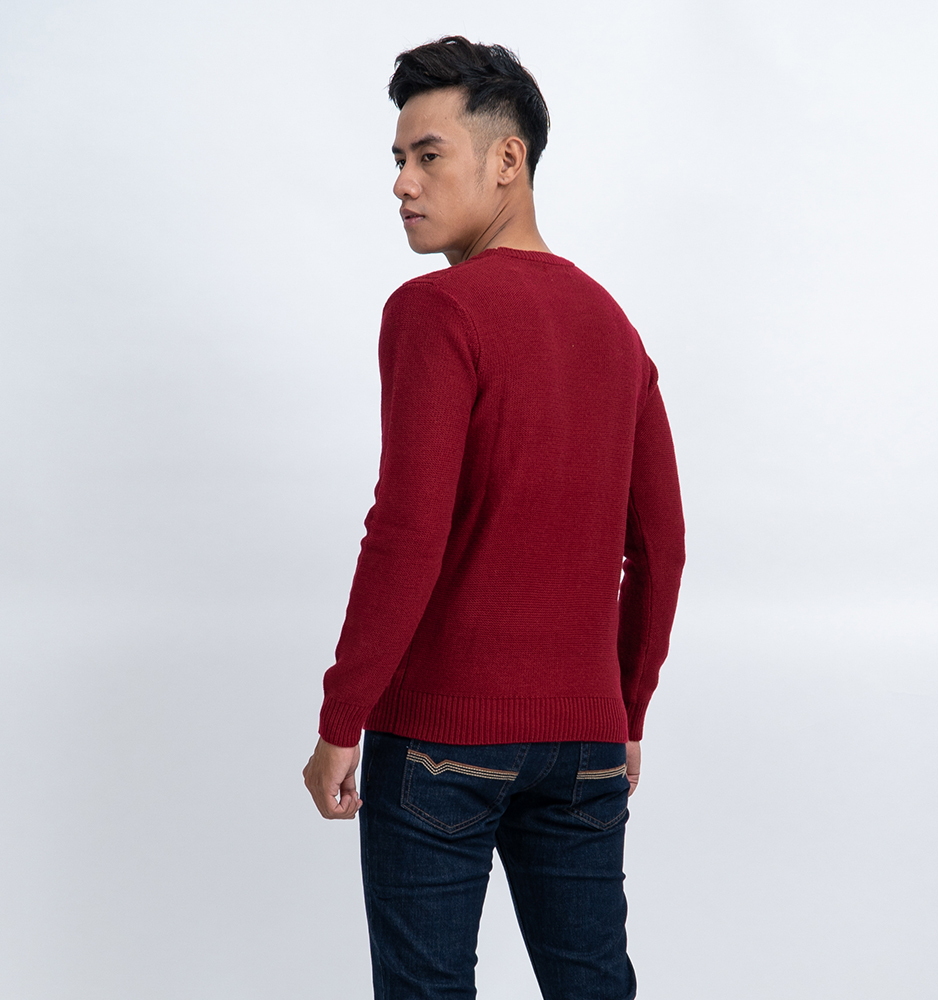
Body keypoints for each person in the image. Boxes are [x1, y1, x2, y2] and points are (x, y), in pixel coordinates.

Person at [303, 35, 685, 1000]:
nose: (402, 182)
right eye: (399, 158)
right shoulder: (615, 328)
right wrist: (625, 708)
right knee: (594, 983)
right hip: (586, 742)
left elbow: (407, 531)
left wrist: (343, 718)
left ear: (507, 159)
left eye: (428, 155)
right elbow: (662, 546)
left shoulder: (436, 312)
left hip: (442, 735)